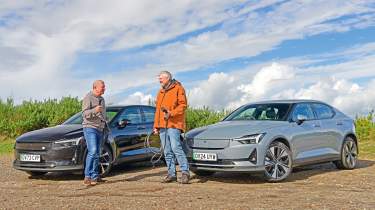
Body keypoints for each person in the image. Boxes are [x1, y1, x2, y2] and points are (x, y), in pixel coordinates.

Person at [153, 71, 190, 184]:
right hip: (162, 126)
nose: (159, 81)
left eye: (161, 79)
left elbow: (183, 105)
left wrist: (171, 113)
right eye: (159, 79)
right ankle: (171, 174)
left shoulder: (178, 88)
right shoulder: (160, 92)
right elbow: (158, 111)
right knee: (167, 150)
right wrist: (156, 126)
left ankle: (185, 172)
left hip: (174, 124)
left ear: (168, 78)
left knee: (176, 148)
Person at [82, 80, 106, 186]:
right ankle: (87, 176)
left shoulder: (102, 99)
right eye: (102, 87)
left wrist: (106, 120)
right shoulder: (88, 97)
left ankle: (95, 176)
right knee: (93, 151)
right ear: (95, 87)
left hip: (100, 129)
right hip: (90, 128)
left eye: (104, 87)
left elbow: (102, 114)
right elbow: (84, 114)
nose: (104, 88)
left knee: (97, 153)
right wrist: (95, 110)